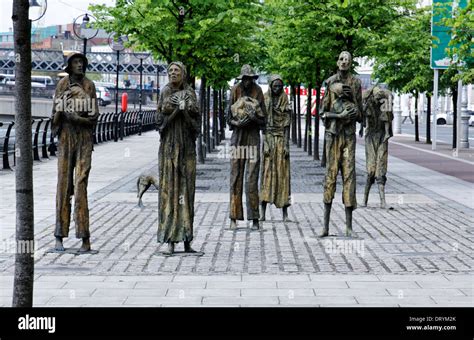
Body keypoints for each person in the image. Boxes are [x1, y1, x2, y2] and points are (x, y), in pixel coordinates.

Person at [51, 53, 99, 252]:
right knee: (63, 185)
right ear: (69, 66)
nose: (79, 65)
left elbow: (94, 117)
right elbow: (54, 118)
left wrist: (77, 118)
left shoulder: (89, 86)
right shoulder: (62, 85)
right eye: (75, 63)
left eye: (81, 62)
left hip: (84, 140)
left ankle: (84, 237)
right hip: (65, 139)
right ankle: (59, 235)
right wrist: (62, 110)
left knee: (80, 185)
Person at [156, 61, 200, 255]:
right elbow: (161, 125)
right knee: (169, 190)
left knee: (187, 191)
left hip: (187, 148)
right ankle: (170, 239)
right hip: (169, 148)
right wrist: (177, 110)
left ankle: (187, 239)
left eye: (177, 70)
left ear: (184, 74)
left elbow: (196, 126)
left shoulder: (190, 93)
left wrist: (186, 111)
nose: (173, 73)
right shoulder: (165, 92)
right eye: (170, 70)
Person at [320, 51, 362, 237]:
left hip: (349, 137)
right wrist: (339, 116)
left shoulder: (356, 83)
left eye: (347, 60)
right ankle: (326, 226)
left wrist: (352, 102)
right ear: (337, 62)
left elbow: (361, 114)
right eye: (341, 59)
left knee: (349, 176)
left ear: (351, 63)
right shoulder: (329, 82)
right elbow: (322, 113)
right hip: (333, 135)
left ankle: (349, 227)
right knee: (330, 176)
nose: (344, 62)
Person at [227, 64, 266, 230]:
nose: (247, 82)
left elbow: (264, 121)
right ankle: (234, 217)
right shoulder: (235, 90)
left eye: (250, 79)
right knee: (236, 176)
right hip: (238, 137)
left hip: (253, 138)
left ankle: (254, 218)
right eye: (245, 79)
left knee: (251, 179)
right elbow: (227, 117)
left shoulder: (258, 92)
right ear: (241, 79)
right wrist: (237, 122)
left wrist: (253, 118)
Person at [260, 75, 292, 222]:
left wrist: (286, 144)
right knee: (267, 174)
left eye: (280, 86)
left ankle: (285, 212)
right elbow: (263, 125)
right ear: (270, 86)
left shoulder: (285, 99)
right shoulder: (265, 98)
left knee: (283, 174)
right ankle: (263, 212)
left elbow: (287, 125)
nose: (277, 89)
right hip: (269, 139)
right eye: (275, 86)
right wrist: (265, 143)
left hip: (281, 140)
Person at [360, 86, 393, 208]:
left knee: (381, 169)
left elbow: (387, 120)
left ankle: (382, 201)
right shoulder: (368, 103)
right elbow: (365, 121)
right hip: (370, 138)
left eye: (380, 97)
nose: (378, 99)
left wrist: (386, 134)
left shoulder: (385, 104)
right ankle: (364, 199)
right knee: (371, 170)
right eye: (376, 97)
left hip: (382, 137)